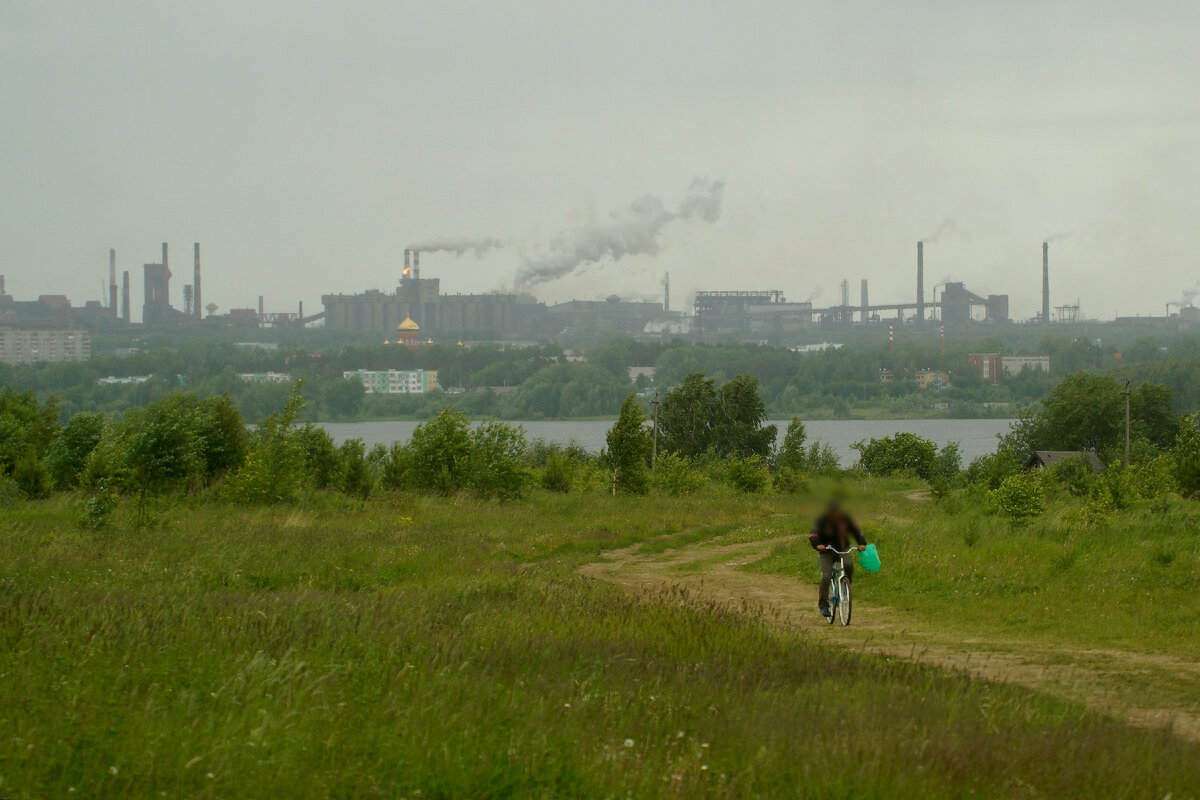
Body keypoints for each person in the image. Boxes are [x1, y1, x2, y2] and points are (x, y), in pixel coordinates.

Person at [809, 499, 868, 619]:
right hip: (826, 551)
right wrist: (817, 545)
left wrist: (862, 543)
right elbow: (813, 535)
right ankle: (823, 605)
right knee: (826, 576)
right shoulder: (821, 521)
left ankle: (847, 586)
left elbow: (857, 532)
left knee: (849, 564)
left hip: (842, 549)